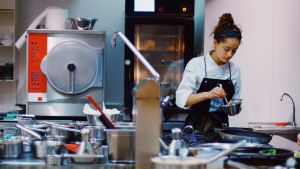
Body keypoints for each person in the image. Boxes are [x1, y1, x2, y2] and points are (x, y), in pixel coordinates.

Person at [176, 13, 242, 133]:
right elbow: (181, 99)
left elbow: (237, 102)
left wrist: (233, 107)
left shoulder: (235, 70)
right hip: (196, 128)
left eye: (234, 51)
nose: (229, 55)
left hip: (222, 129)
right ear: (215, 43)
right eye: (226, 49)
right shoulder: (196, 64)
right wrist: (208, 94)